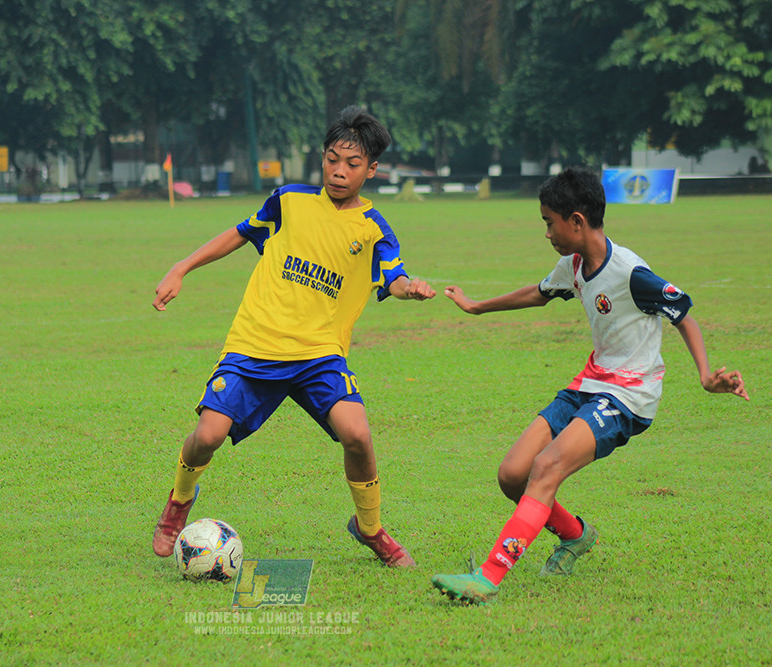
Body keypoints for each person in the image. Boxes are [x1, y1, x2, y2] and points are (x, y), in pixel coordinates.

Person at [432, 167, 749, 604]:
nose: (546, 232)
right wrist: (476, 307)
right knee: (512, 476)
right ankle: (576, 535)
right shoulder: (575, 263)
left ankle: (488, 578)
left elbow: (684, 314)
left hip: (628, 396)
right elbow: (540, 292)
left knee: (544, 470)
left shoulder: (631, 273)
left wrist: (705, 375)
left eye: (549, 222)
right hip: (590, 383)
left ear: (576, 221)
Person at [151, 106, 436, 568]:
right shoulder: (289, 201)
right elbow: (240, 234)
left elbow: (393, 278)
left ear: (372, 169)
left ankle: (369, 529)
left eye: (352, 164)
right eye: (331, 159)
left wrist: (412, 288)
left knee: (358, 436)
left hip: (318, 356)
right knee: (207, 435)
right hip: (254, 345)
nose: (338, 172)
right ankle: (178, 505)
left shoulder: (373, 229)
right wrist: (181, 267)